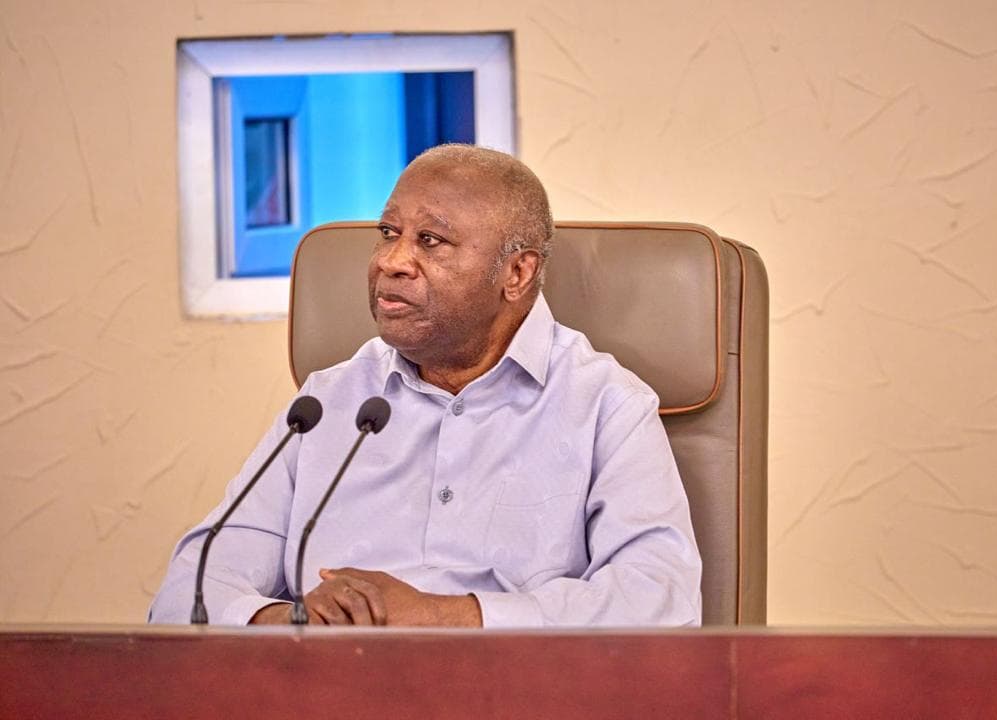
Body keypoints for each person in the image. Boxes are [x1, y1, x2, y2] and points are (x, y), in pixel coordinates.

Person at [149, 145, 702, 627]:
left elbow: (663, 600)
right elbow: (186, 591)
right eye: (388, 234)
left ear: (517, 273)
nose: (391, 262)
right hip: (332, 689)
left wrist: (445, 617)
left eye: (430, 241)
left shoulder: (605, 404)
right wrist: (292, 621)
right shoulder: (327, 402)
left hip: (512, 691)